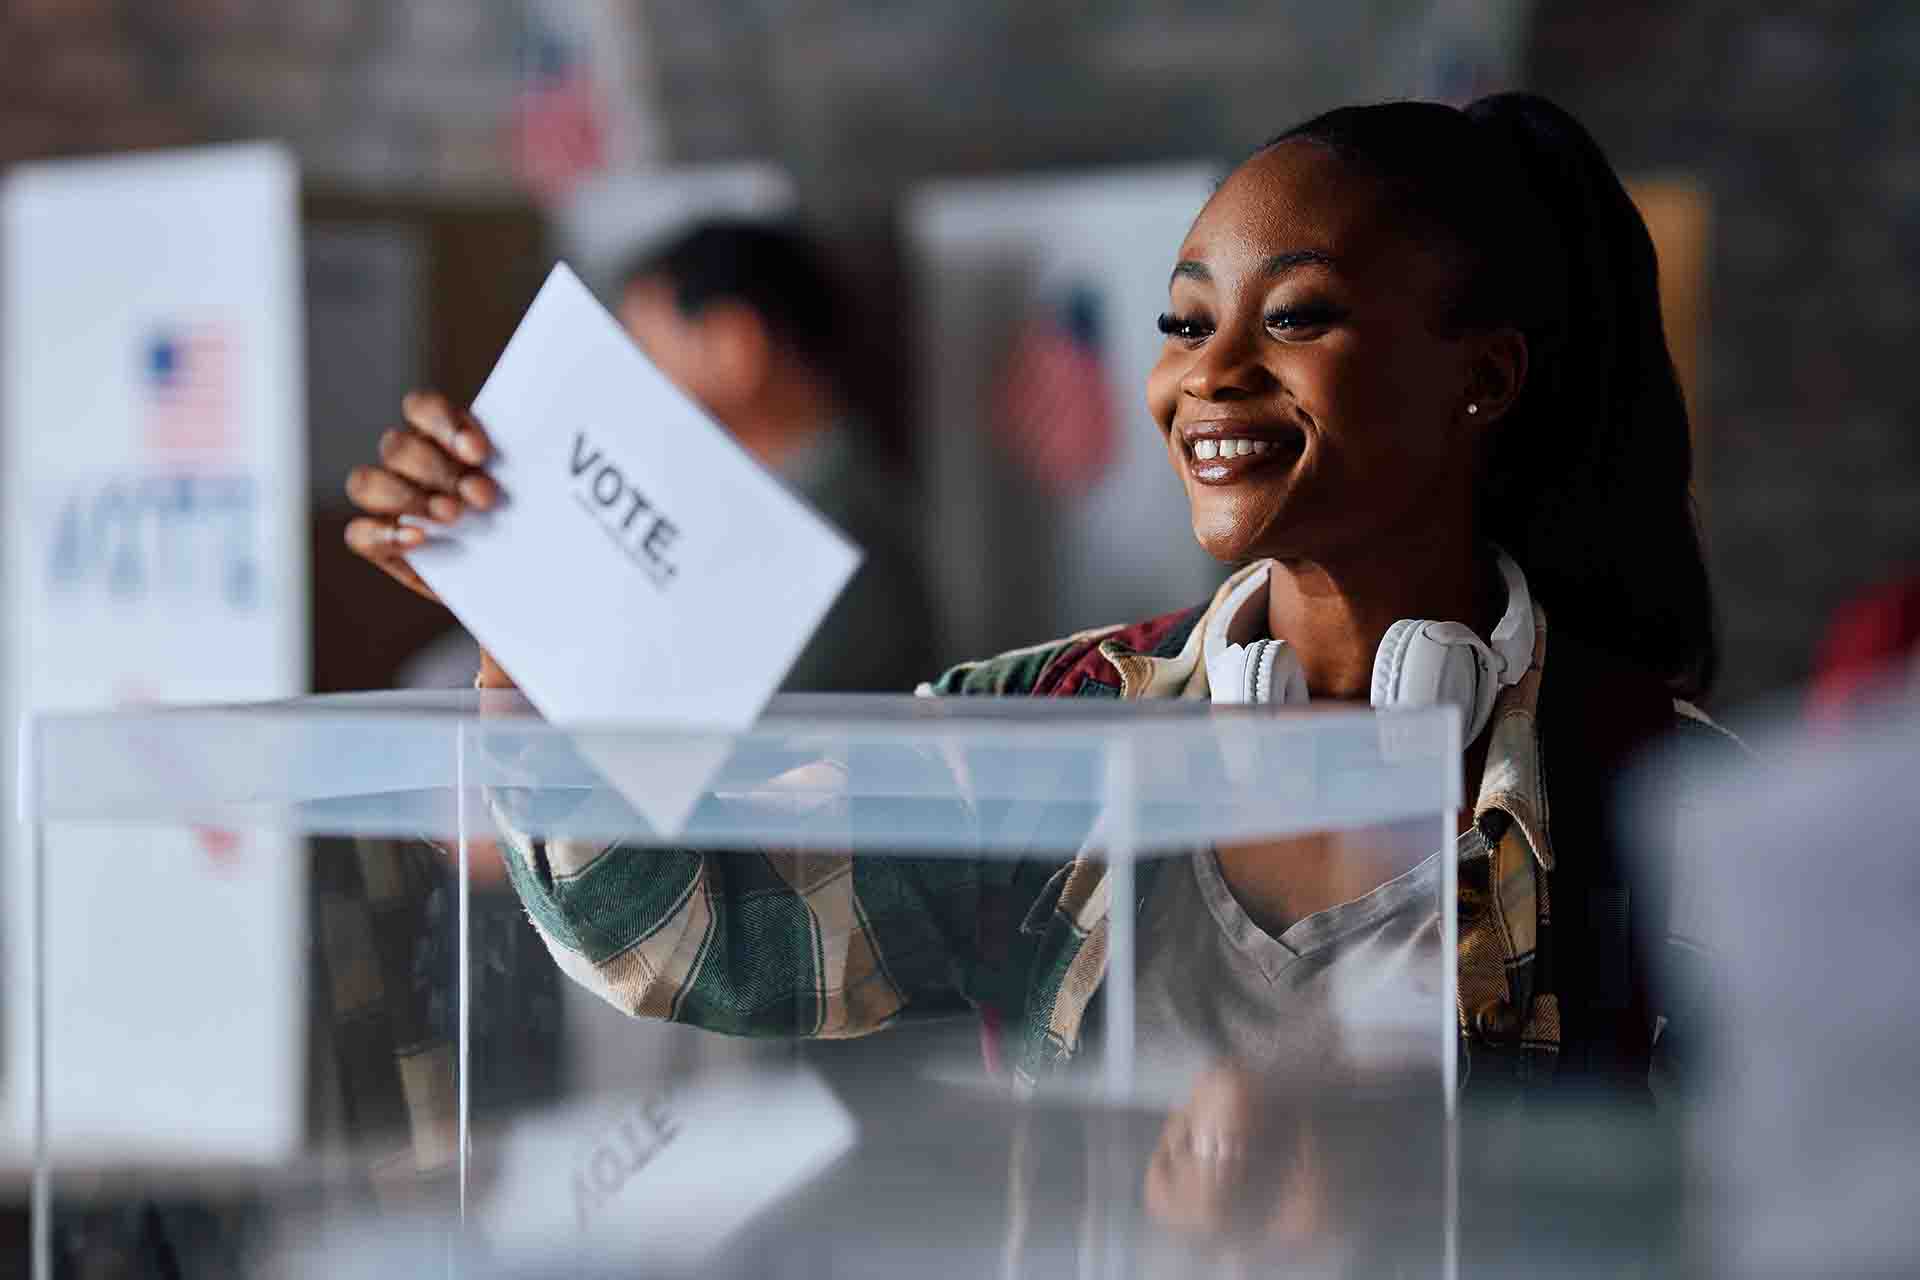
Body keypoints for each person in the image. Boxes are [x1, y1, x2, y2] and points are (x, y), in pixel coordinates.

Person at [345, 95, 1737, 1107]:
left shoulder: (1669, 797)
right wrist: (526, 636)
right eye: (1188, 322)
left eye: (1297, 315)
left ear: (1482, 378)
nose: (1210, 375)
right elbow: (685, 938)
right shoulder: (1052, 734)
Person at [383, 218, 934, 695]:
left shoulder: (821, 544)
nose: (621, 393)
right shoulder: (780, 510)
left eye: (642, 354)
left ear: (737, 348)